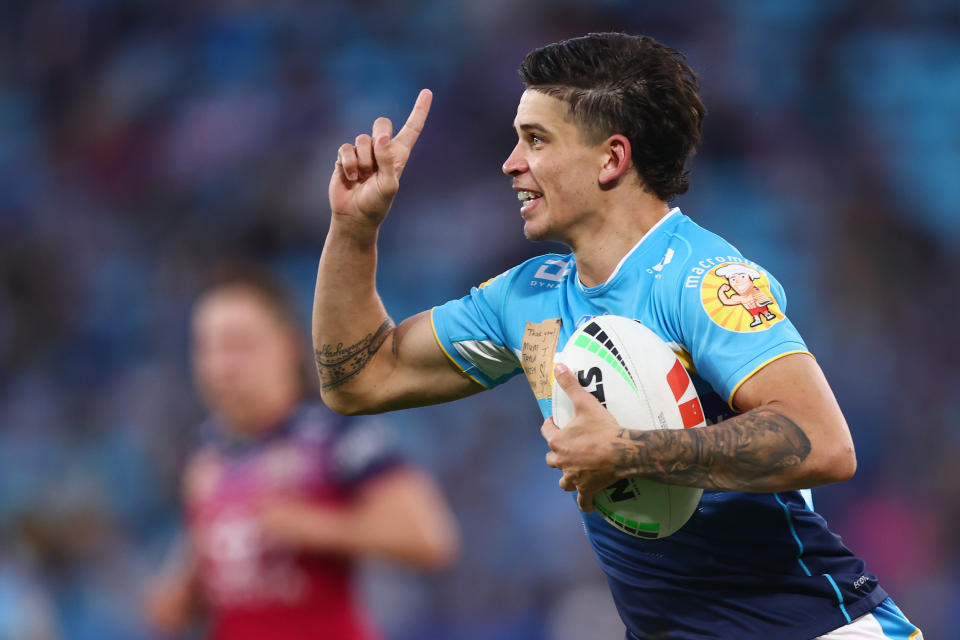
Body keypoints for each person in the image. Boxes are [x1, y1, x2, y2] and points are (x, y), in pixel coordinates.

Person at [312, 32, 922, 640]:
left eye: (536, 139)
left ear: (611, 158)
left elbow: (823, 442)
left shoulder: (701, 277)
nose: (511, 163)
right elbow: (361, 379)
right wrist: (353, 228)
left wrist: (628, 451)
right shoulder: (527, 295)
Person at [142, 266, 460, 640]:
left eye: (239, 345)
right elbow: (203, 574)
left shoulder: (339, 436)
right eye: (208, 347)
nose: (221, 366)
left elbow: (430, 539)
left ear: (289, 345)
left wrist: (313, 525)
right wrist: (177, 597)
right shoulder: (205, 455)